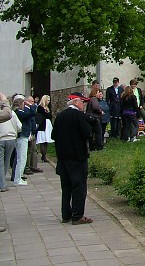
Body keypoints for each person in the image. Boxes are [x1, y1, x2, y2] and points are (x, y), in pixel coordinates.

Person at [52, 92, 93, 224]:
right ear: (75, 102)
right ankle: (77, 215)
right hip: (77, 157)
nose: (84, 104)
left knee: (66, 186)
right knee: (79, 186)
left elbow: (53, 135)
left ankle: (66, 214)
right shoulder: (79, 116)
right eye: (82, 102)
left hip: (63, 157)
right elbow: (87, 133)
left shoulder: (60, 116)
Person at [1, 93, 21, 192]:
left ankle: (2, 183)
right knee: (6, 162)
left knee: (1, 162)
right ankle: (2, 181)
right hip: (11, 138)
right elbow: (19, 126)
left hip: (1, 139)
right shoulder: (12, 113)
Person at [13, 95, 34, 185]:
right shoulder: (19, 113)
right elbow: (32, 113)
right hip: (21, 137)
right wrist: (30, 105)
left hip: (24, 136)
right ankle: (17, 179)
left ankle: (18, 177)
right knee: (21, 158)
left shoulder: (20, 112)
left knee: (22, 158)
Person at [36, 95, 54, 162]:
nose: (48, 102)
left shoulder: (46, 108)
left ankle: (44, 156)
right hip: (43, 124)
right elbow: (47, 115)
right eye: (48, 100)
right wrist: (47, 112)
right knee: (43, 141)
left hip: (47, 124)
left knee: (46, 141)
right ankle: (43, 156)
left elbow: (50, 116)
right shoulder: (40, 108)